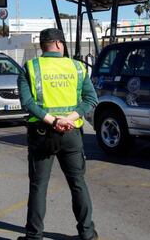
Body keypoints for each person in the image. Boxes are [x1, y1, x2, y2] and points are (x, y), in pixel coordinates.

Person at [17, 28, 99, 240]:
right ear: (60, 44)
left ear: (42, 46)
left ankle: (34, 236)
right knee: (77, 183)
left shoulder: (31, 68)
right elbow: (91, 99)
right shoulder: (78, 67)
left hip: (42, 133)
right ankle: (87, 233)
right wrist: (69, 119)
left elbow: (27, 103)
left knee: (38, 186)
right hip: (71, 134)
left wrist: (53, 120)